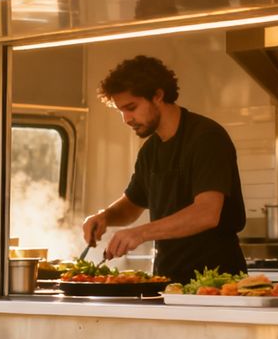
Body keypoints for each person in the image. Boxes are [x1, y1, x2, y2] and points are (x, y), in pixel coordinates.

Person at [82, 55, 247, 283]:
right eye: (121, 110)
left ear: (158, 95)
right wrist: (104, 217)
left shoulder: (206, 138)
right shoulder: (151, 150)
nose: (126, 119)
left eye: (131, 108)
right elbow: (132, 205)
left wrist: (140, 233)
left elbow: (207, 213)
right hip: (167, 280)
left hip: (217, 282)